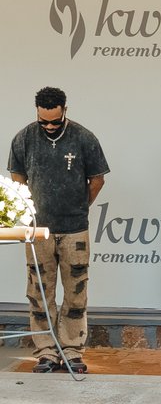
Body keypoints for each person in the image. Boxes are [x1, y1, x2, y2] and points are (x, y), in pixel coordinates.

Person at [7, 86, 108, 374]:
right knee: (39, 291)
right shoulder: (24, 138)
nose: (50, 126)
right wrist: (28, 211)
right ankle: (46, 352)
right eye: (44, 122)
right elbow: (17, 179)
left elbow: (97, 180)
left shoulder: (84, 137)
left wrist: (80, 206)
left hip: (75, 228)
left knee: (76, 291)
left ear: (65, 111)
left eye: (55, 121)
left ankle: (72, 349)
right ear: (36, 113)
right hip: (37, 230)